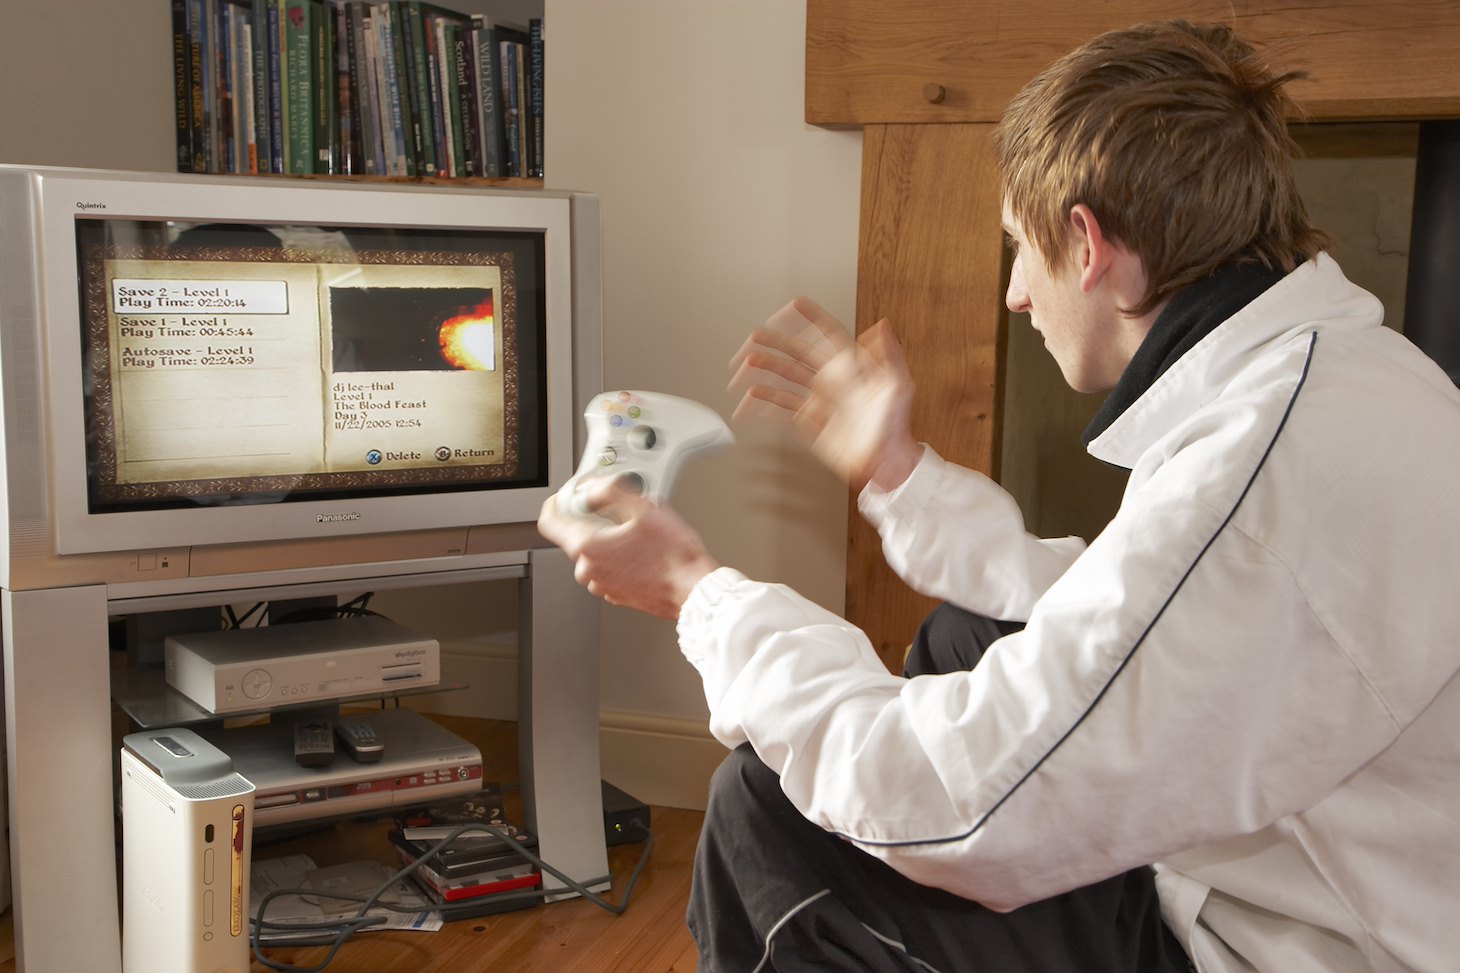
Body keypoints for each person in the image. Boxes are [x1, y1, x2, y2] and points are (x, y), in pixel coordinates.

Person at [538, 18, 1460, 973]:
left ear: (1086, 243)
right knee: (966, 634)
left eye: (1019, 246)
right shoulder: (1327, 375)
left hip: (1293, 945)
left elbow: (959, 805)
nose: (1017, 293)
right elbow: (1134, 604)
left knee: (766, 812)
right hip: (1309, 862)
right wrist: (899, 472)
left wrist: (694, 590)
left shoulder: (1257, 476)